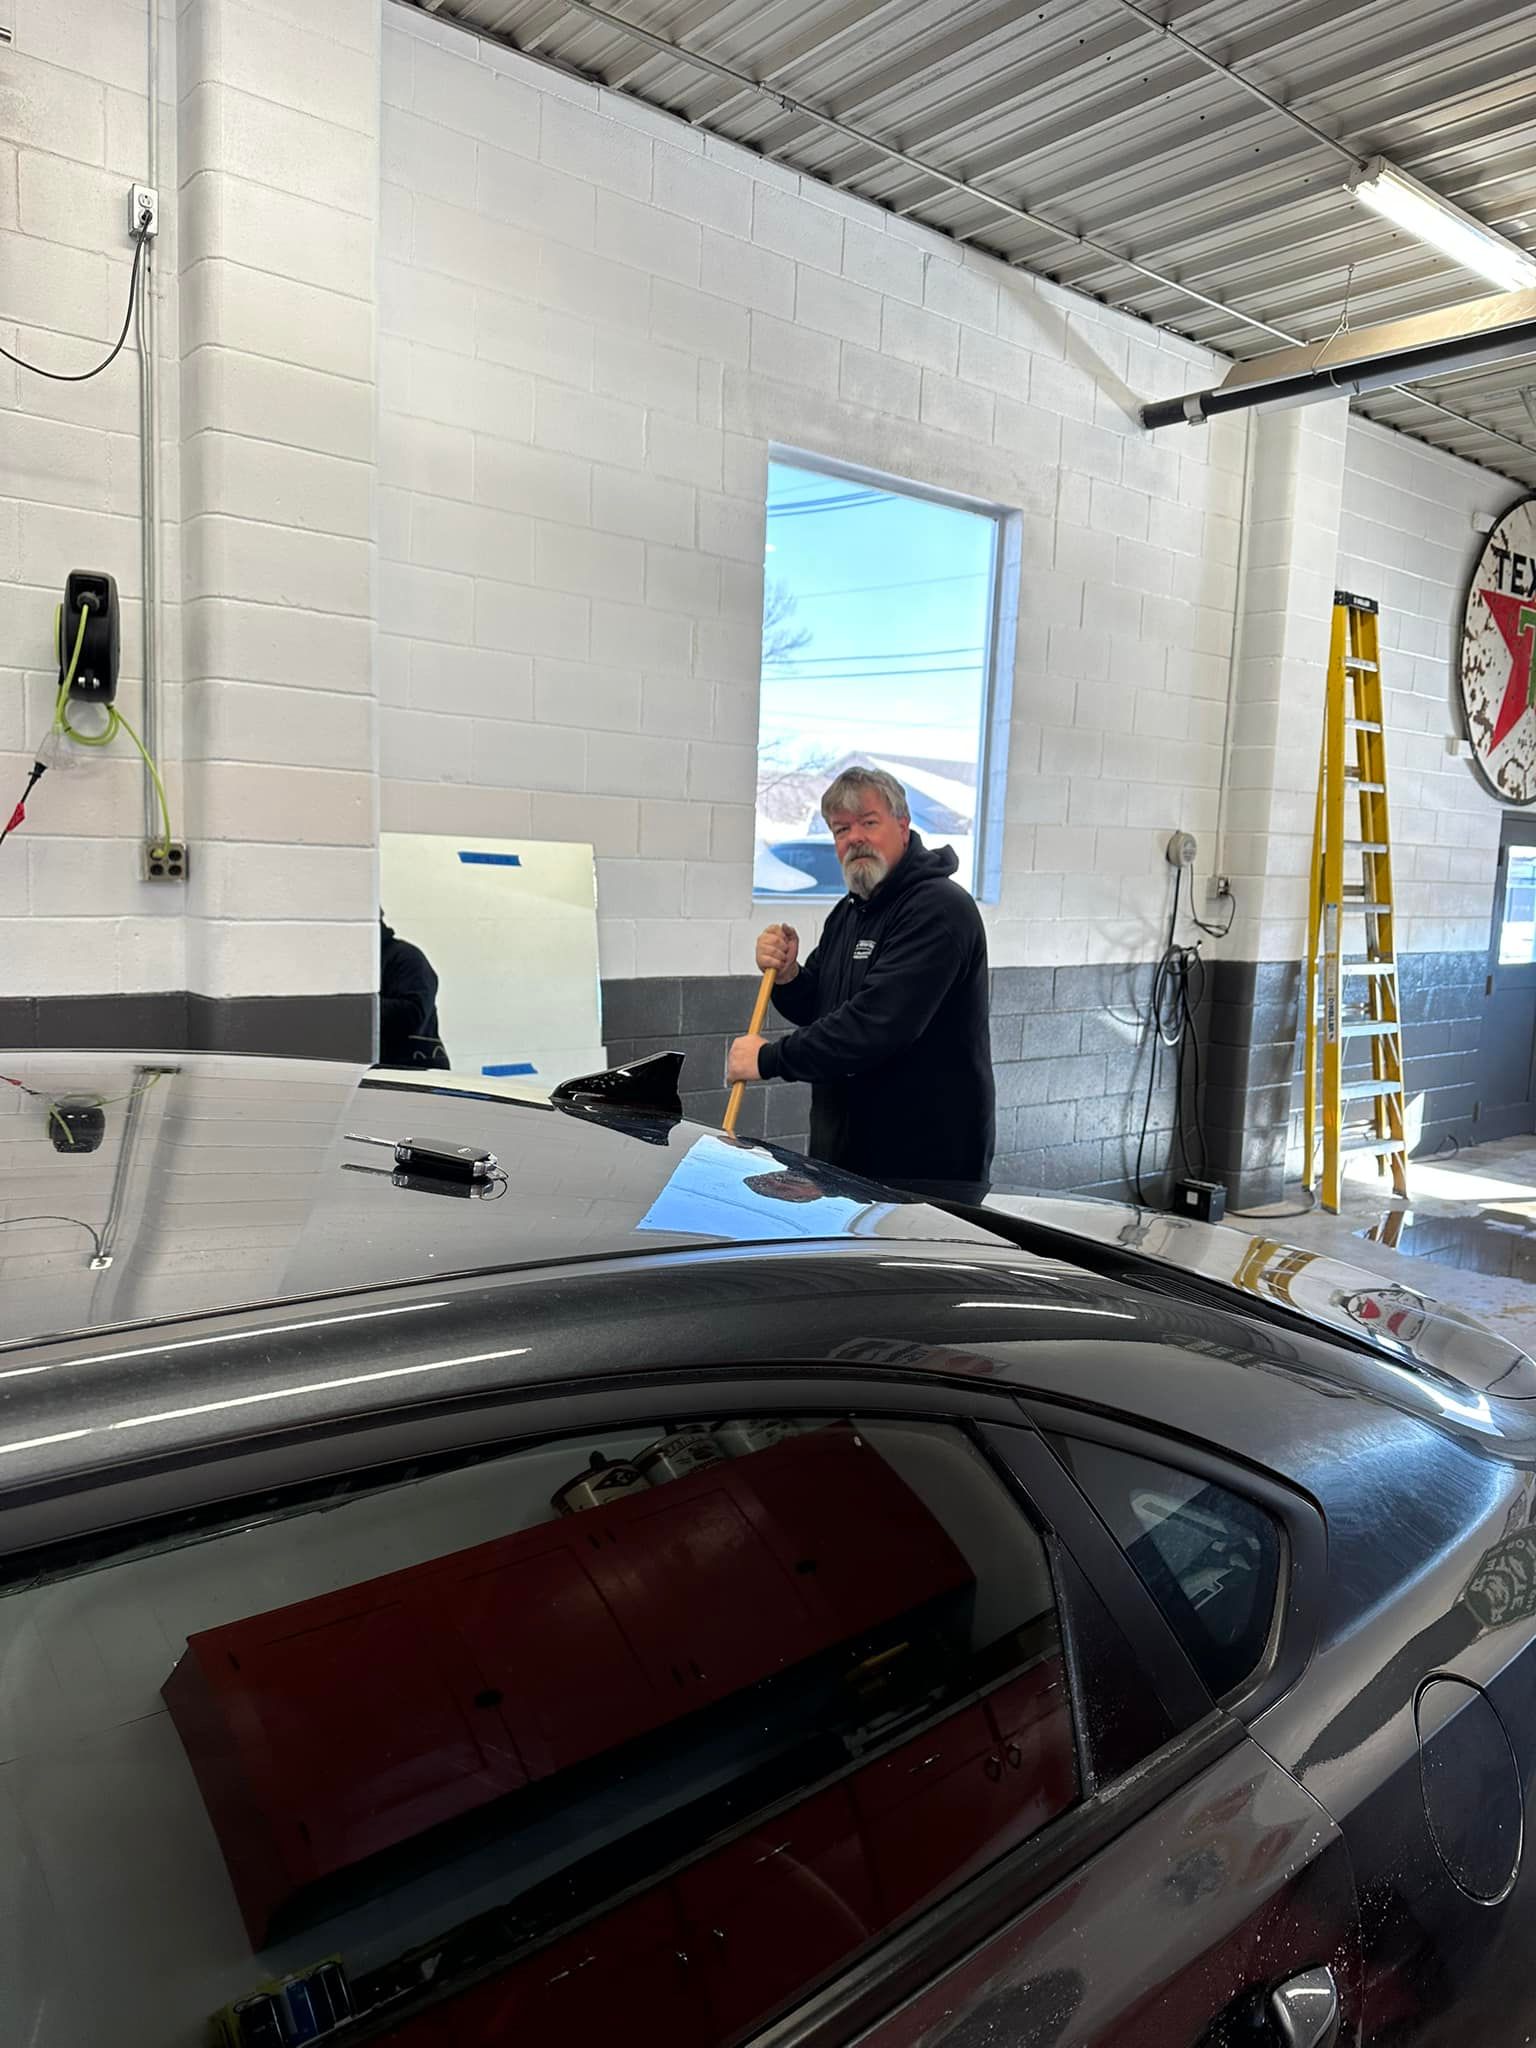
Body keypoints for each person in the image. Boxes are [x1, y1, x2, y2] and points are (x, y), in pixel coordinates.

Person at [727, 767, 994, 1200]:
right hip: (849, 1159)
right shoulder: (850, 912)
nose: (854, 838)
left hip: (925, 1168)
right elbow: (820, 1007)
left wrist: (769, 1059)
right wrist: (791, 976)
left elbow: (876, 1026)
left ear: (903, 826)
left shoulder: (939, 910)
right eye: (841, 829)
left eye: (869, 822)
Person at [378, 913, 450, 1070]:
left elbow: (413, 1013)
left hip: (414, 1073)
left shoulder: (406, 957)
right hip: (383, 1071)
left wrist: (358, 1005)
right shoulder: (356, 962)